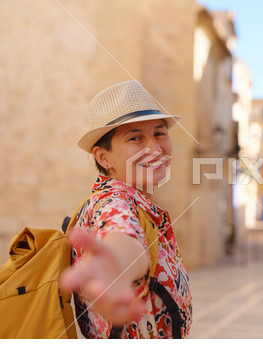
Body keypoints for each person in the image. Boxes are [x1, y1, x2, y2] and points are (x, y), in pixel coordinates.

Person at [60, 80, 192, 339]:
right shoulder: (114, 203)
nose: (155, 148)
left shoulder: (134, 204)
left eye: (159, 133)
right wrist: (119, 263)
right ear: (103, 157)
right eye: (135, 138)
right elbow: (122, 235)